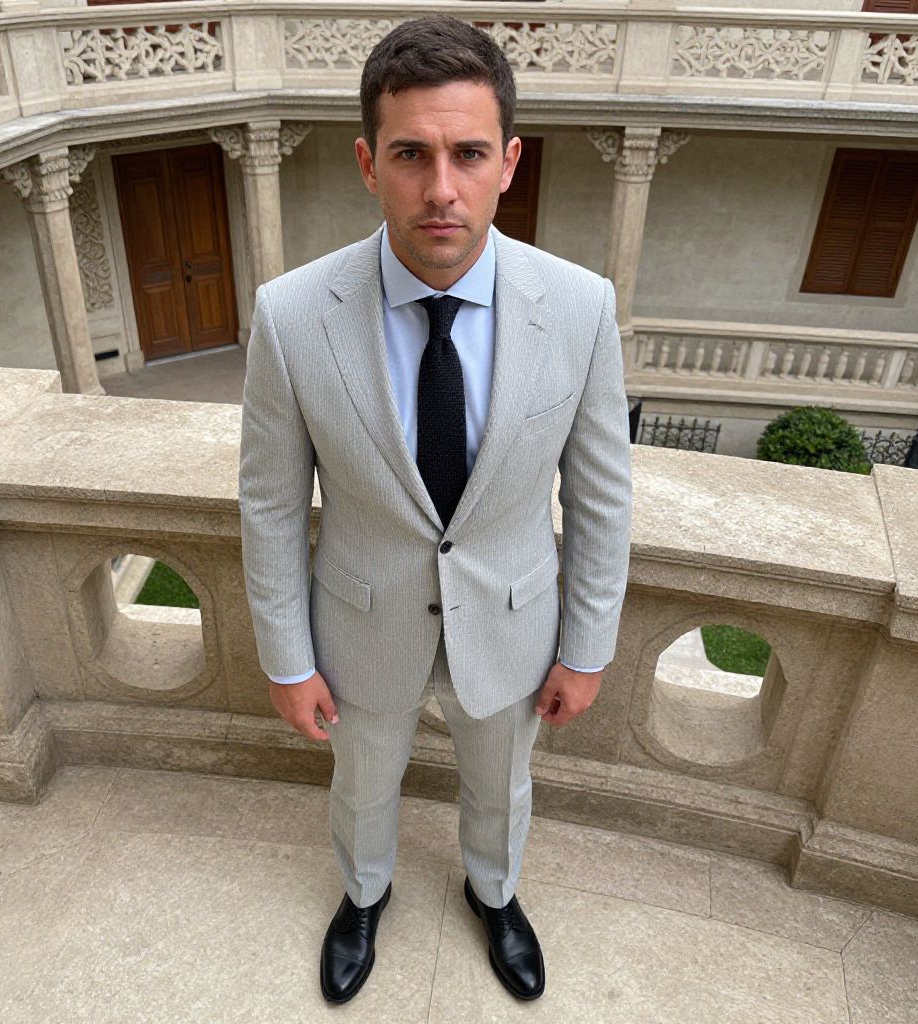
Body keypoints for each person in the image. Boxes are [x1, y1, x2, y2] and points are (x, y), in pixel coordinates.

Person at [238, 14, 632, 1004]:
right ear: (370, 163)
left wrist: (586, 647)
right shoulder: (290, 315)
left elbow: (599, 495)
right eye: (411, 155)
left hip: (514, 624)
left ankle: (495, 895)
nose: (441, 189)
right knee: (361, 782)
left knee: (503, 785)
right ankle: (363, 894)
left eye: (466, 154)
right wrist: (287, 658)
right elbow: (270, 504)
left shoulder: (581, 306)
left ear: (509, 160)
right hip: (361, 624)